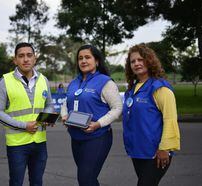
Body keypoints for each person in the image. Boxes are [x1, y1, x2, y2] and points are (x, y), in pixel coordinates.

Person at [61, 44, 123, 186]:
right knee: (88, 179)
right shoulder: (74, 82)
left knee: (85, 178)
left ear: (97, 61)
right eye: (80, 58)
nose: (83, 61)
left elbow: (117, 108)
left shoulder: (105, 82)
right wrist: (64, 115)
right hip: (76, 137)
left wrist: (98, 124)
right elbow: (66, 102)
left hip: (97, 137)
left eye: (87, 57)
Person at [0, 42, 54, 186]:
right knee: (16, 182)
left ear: (35, 58)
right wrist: (23, 126)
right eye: (21, 56)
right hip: (17, 145)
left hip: (40, 142)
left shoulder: (43, 80)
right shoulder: (5, 81)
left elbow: (49, 105)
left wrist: (47, 116)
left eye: (29, 55)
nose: (25, 59)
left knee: (37, 182)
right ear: (15, 60)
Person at [122, 43, 180, 186]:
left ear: (149, 61)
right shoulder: (132, 89)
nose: (136, 63)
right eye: (133, 61)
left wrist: (164, 148)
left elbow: (170, 119)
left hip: (156, 152)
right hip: (137, 151)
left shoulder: (160, 88)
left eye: (140, 60)